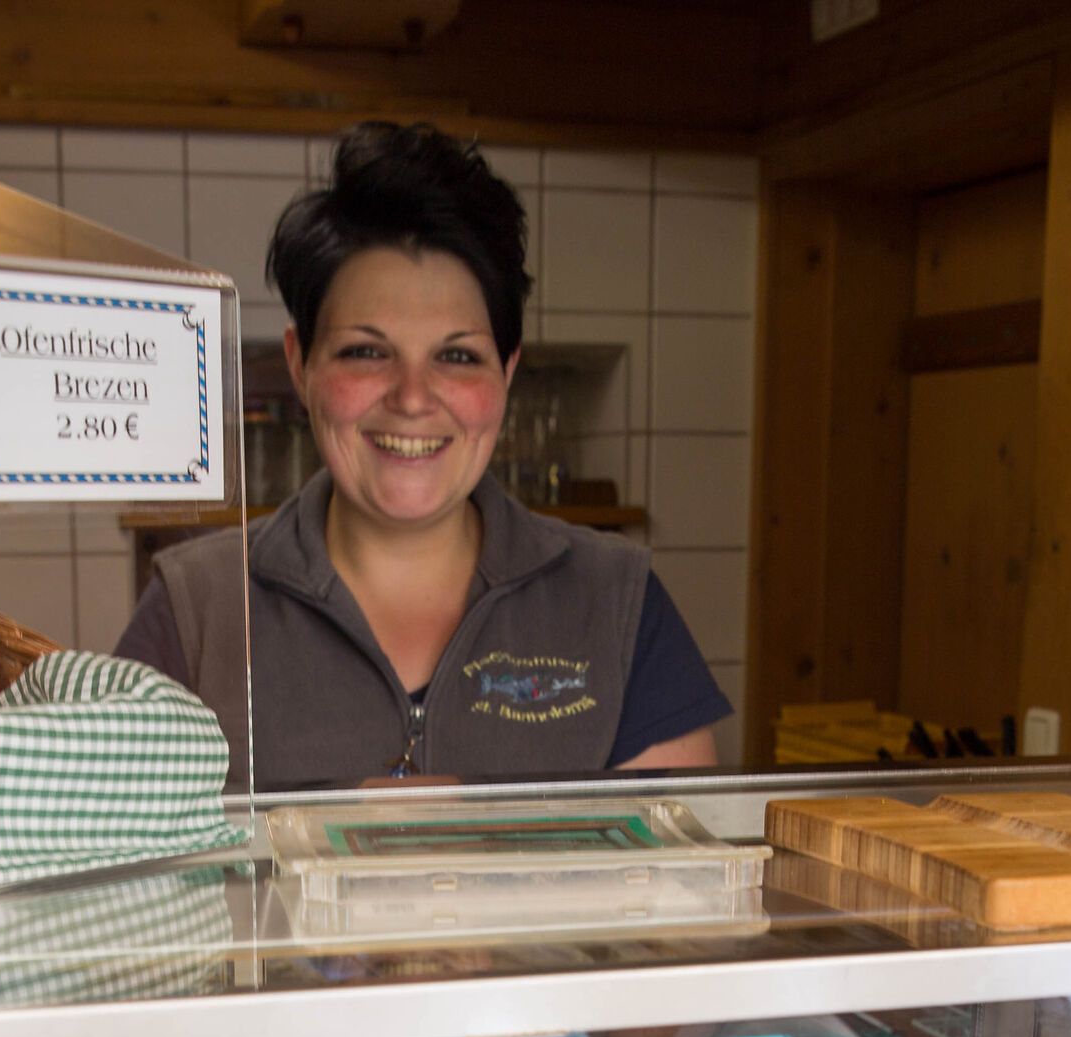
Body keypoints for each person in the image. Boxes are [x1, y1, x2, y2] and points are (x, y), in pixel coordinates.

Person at [117, 123, 731, 790]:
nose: (412, 398)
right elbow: (107, 842)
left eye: (457, 356)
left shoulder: (616, 601)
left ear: (507, 372)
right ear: (300, 365)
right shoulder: (195, 609)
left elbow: (682, 851)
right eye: (365, 352)